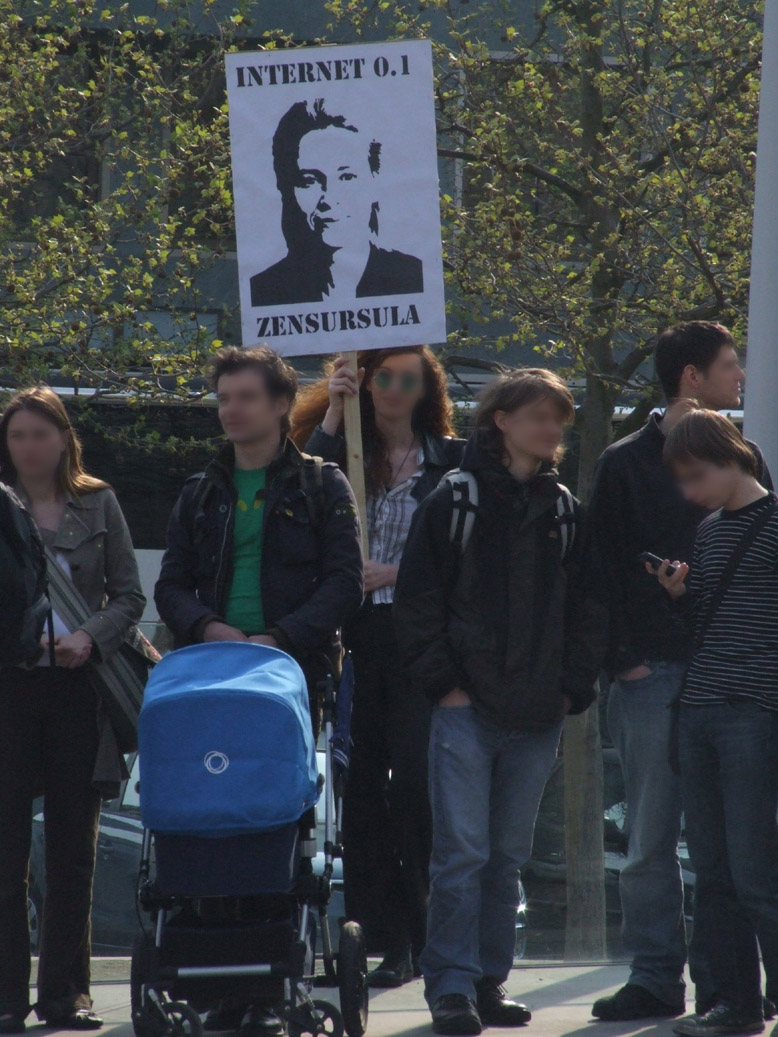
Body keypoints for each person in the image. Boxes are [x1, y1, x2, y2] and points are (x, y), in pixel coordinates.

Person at [154, 345, 363, 1037]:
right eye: (223, 397)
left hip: (290, 677)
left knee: (279, 817)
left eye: (244, 396)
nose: (230, 409)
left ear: (280, 404)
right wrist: (210, 627)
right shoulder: (200, 490)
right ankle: (209, 965)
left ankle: (272, 972)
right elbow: (170, 584)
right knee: (207, 812)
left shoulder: (320, 485)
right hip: (211, 678)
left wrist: (279, 638)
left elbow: (343, 580)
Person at [394, 369, 607, 1036]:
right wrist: (445, 685)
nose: (553, 430)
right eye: (541, 416)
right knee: (462, 853)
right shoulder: (453, 499)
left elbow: (588, 608)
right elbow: (417, 601)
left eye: (560, 420)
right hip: (466, 707)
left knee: (505, 856)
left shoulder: (568, 509)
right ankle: (451, 985)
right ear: (501, 421)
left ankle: (487, 979)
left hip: (537, 710)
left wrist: (572, 686)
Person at [587, 321, 773, 1022]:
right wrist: (625, 658)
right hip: (664, 680)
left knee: (741, 857)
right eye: (730, 365)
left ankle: (733, 990)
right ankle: (680, 981)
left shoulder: (747, 474)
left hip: (737, 690)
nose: (742, 377)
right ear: (692, 377)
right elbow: (600, 566)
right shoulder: (626, 462)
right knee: (666, 844)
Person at [292, 346, 464, 987]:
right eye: (380, 377)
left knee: (415, 789)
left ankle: (418, 941)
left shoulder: (453, 462)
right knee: (358, 794)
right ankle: (370, 941)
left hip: (421, 641)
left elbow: (466, 561)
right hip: (358, 641)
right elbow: (300, 486)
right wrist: (334, 411)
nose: (391, 388)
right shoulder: (340, 452)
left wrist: (396, 572)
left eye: (406, 379)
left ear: (426, 389)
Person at [0, 388, 145, 1034]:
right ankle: (6, 993)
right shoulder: (3, 507)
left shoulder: (101, 501)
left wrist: (88, 637)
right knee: (6, 854)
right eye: (17, 435)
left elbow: (129, 594)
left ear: (64, 438)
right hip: (12, 687)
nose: (28, 445)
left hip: (80, 690)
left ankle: (67, 994)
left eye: (39, 433)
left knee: (72, 851)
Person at [651, 409, 778, 1037]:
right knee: (714, 868)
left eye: (697, 475)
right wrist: (681, 598)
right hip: (699, 708)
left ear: (732, 459)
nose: (690, 491)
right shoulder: (708, 533)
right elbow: (703, 629)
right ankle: (732, 1002)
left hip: (752, 710)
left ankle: (754, 998)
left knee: (756, 869)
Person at [250, 99, 423, 307]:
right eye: (310, 181)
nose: (329, 199)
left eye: (347, 177)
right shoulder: (264, 291)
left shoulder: (411, 279)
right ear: (288, 188)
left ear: (375, 182)